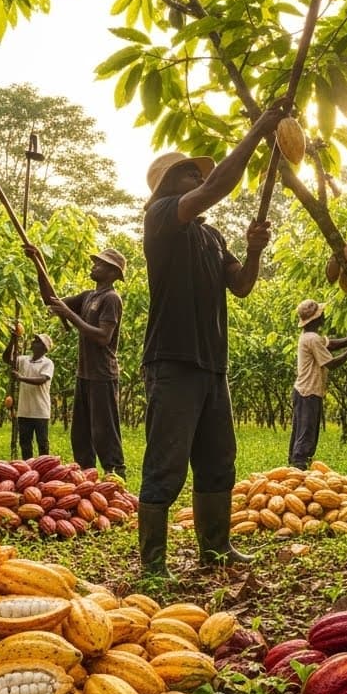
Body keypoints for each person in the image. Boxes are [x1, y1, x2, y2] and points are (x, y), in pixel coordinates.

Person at [137, 101, 288, 576]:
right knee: (165, 464)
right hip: (173, 360)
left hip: (211, 365)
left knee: (218, 459)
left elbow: (241, 285)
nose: (195, 179)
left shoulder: (212, 236)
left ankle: (215, 547)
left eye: (194, 173)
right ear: (167, 185)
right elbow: (220, 185)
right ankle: (153, 562)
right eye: (186, 173)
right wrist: (260, 129)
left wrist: (253, 250)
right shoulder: (161, 219)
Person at [25, 243, 127, 477]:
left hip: (103, 374)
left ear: (113, 273)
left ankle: (116, 474)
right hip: (85, 373)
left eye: (100, 264)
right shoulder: (89, 296)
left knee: (105, 430)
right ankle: (86, 475)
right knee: (81, 432)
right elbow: (52, 300)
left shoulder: (111, 299)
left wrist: (70, 315)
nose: (95, 265)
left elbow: (103, 337)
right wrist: (38, 262)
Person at [289, 299, 347, 469]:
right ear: (316, 319)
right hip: (308, 392)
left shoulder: (309, 336)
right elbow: (332, 363)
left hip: (303, 390)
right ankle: (299, 469)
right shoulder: (312, 339)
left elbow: (331, 344)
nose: (324, 316)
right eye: (321, 314)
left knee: (300, 433)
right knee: (306, 434)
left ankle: (294, 466)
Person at [2, 331, 55, 459]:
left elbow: (42, 380)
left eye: (37, 341)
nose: (33, 342)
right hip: (24, 411)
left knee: (42, 443)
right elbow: (6, 359)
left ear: (43, 347)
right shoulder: (23, 360)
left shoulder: (47, 363)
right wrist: (12, 340)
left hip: (40, 411)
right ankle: (28, 471)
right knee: (25, 444)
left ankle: (44, 470)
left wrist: (21, 378)